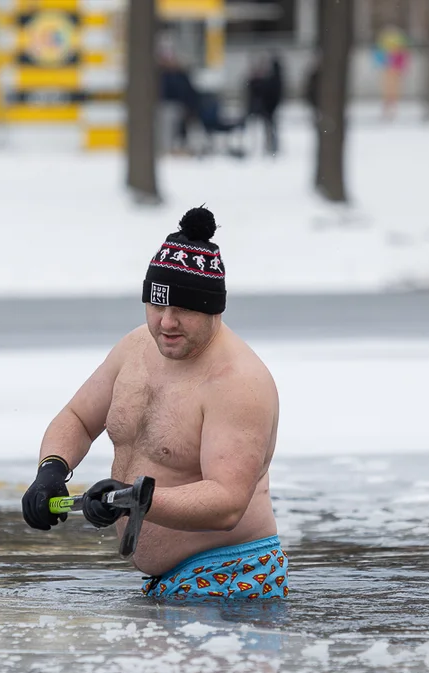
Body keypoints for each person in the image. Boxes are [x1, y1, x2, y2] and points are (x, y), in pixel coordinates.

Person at [20, 207, 288, 602]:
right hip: (169, 581)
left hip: (231, 575)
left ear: (213, 308)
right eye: (157, 306)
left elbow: (227, 502)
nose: (166, 322)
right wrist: (51, 471)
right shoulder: (135, 349)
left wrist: (131, 498)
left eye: (182, 309)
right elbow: (77, 418)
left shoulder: (238, 382)